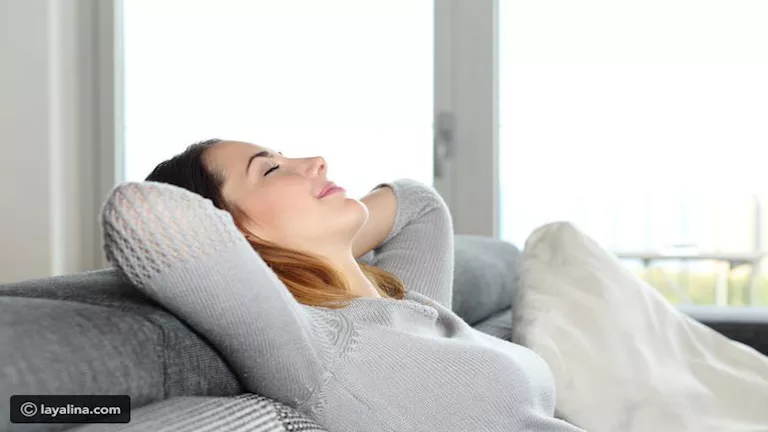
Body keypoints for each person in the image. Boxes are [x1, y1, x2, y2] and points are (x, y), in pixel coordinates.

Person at [100, 139, 585, 431]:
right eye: (270, 169)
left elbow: (419, 205)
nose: (315, 160)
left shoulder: (402, 301)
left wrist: (319, 255)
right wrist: (270, 259)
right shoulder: (315, 348)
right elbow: (140, 211)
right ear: (230, 235)